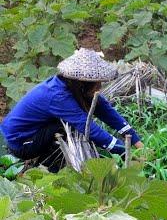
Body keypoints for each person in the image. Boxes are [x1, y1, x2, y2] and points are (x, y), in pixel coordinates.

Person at [0, 48, 143, 173]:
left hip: (36, 130)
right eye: (97, 83)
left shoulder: (74, 87)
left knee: (70, 122)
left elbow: (107, 112)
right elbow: (89, 129)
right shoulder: (58, 96)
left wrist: (137, 142)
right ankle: (53, 166)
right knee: (68, 125)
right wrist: (126, 152)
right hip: (21, 143)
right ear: (84, 82)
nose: (99, 86)